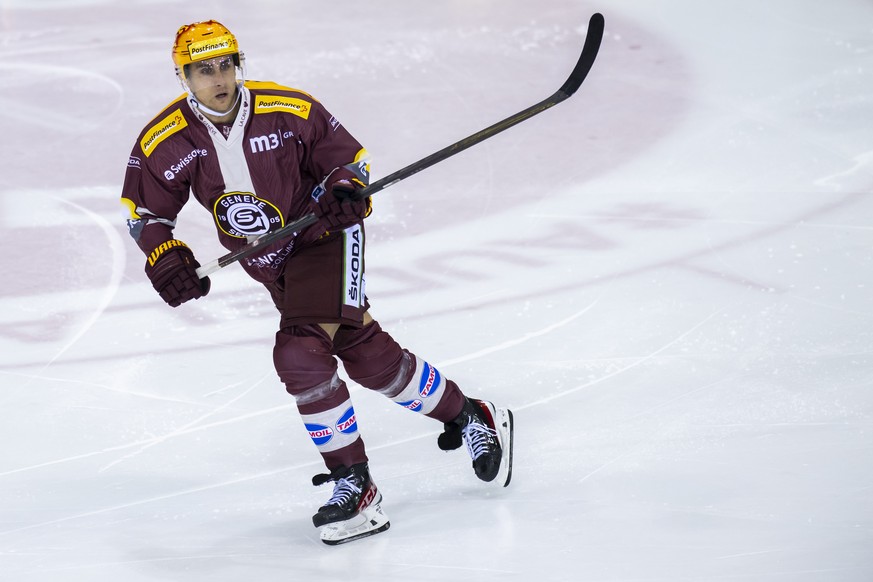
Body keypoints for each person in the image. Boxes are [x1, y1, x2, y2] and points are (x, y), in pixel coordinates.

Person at [119, 20, 514, 544]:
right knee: (368, 357)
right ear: (182, 76)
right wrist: (163, 252)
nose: (218, 79)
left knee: (300, 355)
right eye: (203, 70)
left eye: (226, 65)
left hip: (325, 235)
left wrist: (346, 188)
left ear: (240, 66)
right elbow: (142, 211)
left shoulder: (290, 110)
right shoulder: (166, 139)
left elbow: (348, 161)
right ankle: (470, 413)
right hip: (268, 262)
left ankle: (357, 484)